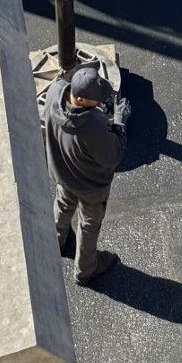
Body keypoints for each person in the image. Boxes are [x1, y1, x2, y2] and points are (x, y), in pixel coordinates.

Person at [41, 58, 127, 284]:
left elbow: (63, 80)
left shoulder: (54, 93)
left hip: (63, 172)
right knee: (88, 225)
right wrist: (118, 121)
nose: (100, 103)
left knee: (63, 204)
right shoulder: (92, 128)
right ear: (79, 99)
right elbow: (113, 156)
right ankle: (85, 269)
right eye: (95, 99)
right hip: (90, 188)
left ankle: (56, 242)